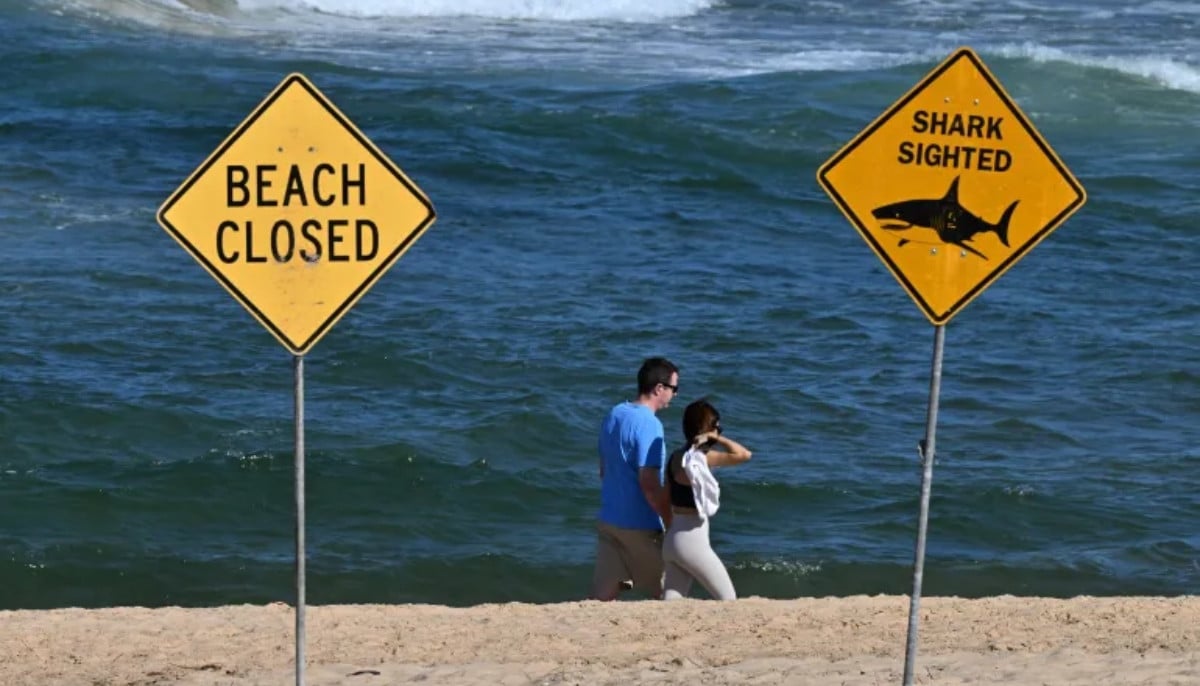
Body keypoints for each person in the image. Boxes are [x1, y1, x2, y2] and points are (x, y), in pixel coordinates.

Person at [591, 357, 679, 601]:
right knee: (669, 589)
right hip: (640, 526)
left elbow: (603, 470)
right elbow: (649, 484)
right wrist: (670, 522)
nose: (675, 395)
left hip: (610, 519)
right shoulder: (650, 424)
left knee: (602, 598)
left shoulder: (614, 414)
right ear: (659, 388)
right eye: (674, 388)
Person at [662, 398, 752, 601]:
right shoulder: (702, 458)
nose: (718, 431)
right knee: (728, 599)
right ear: (707, 429)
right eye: (717, 427)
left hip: (672, 539)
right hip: (692, 541)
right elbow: (744, 454)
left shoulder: (675, 457)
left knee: (671, 604)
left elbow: (665, 496)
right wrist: (717, 438)